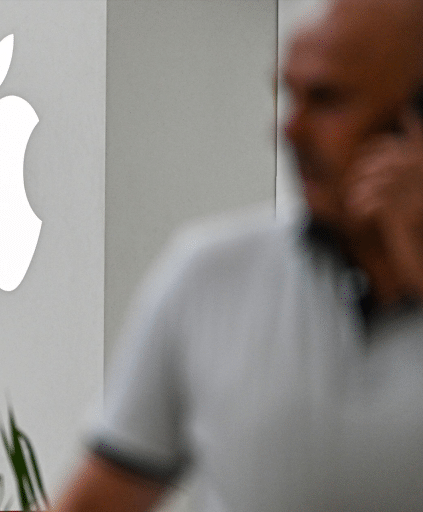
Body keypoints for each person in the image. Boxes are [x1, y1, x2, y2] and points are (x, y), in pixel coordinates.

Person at [53, 1, 423, 511]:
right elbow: (99, 501)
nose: (289, 131)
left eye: (328, 99)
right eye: (288, 95)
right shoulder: (209, 277)